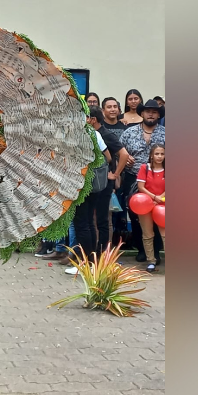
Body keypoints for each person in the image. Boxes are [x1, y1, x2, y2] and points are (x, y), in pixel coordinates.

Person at [64, 109, 112, 275]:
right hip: (96, 184)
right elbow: (109, 157)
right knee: (89, 223)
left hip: (81, 183)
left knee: (81, 224)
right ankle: (92, 263)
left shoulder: (74, 135)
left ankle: (86, 265)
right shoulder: (95, 134)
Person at [119, 99, 165, 262]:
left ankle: (156, 252)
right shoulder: (129, 132)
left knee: (159, 215)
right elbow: (119, 151)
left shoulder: (166, 132)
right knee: (137, 214)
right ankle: (142, 250)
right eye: (147, 111)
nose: (151, 114)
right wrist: (126, 157)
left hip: (159, 179)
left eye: (154, 111)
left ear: (158, 115)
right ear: (142, 113)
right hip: (134, 179)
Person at [89, 106, 129, 254]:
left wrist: (115, 174)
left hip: (104, 183)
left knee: (102, 219)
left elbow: (124, 154)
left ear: (93, 120)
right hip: (92, 182)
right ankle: (93, 251)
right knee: (90, 220)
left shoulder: (106, 135)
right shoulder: (90, 134)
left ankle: (103, 253)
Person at [135, 144, 165, 271]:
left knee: (165, 234)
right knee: (147, 234)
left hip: (163, 205)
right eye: (157, 154)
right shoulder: (144, 168)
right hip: (145, 204)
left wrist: (160, 198)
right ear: (151, 155)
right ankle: (151, 261)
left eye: (162, 154)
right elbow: (141, 187)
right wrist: (154, 197)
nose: (159, 156)